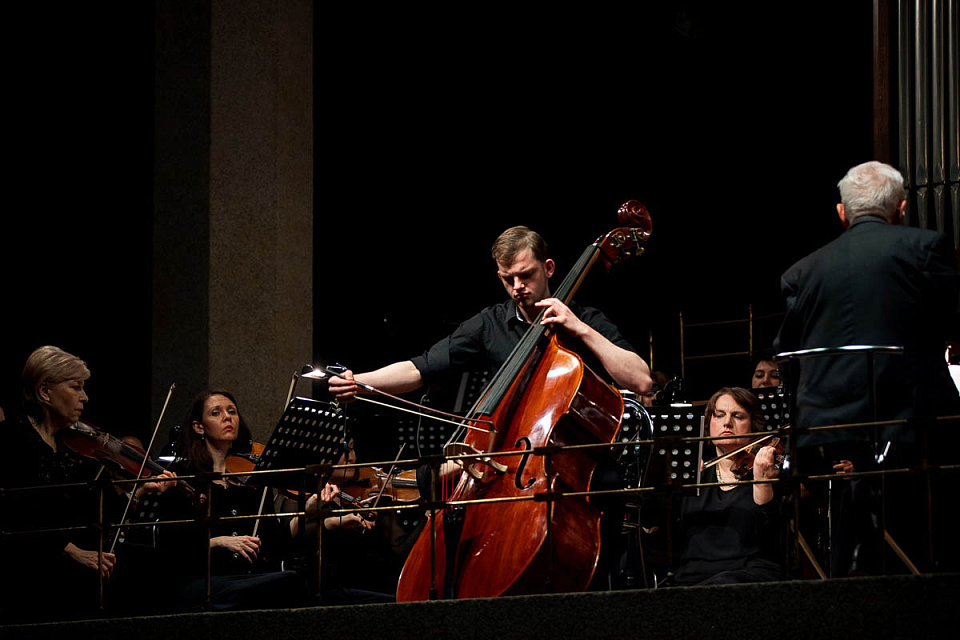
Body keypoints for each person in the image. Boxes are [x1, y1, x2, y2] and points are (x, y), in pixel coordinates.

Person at [328, 225, 653, 590]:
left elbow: (640, 380)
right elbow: (420, 367)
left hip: (576, 471)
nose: (518, 287)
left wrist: (580, 329)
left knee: (607, 488)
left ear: (548, 267)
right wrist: (362, 381)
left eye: (526, 275)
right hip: (506, 468)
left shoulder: (585, 319)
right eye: (507, 279)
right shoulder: (490, 324)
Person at [774, 160, 960, 574]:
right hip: (913, 421)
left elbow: (786, 349)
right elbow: (950, 324)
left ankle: (847, 575)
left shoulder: (801, 271)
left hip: (826, 427)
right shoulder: (927, 247)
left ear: (842, 213)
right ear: (902, 208)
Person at [0, 346, 176, 621]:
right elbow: (15, 514)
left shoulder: (73, 448)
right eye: (76, 387)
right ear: (45, 392)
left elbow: (96, 519)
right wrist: (73, 552)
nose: (85, 397)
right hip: (33, 558)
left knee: (156, 562)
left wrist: (138, 491)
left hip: (77, 551)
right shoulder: (13, 438)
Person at [156, 389, 336, 611]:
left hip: (250, 578)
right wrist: (219, 541)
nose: (227, 417)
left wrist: (307, 511)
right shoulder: (184, 479)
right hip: (205, 582)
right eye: (216, 413)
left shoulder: (251, 484)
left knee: (305, 582)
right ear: (198, 426)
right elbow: (171, 547)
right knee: (288, 584)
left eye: (232, 411)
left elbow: (274, 542)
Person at [655, 387, 784, 586]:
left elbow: (774, 539)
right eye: (719, 415)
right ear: (709, 423)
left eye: (738, 416)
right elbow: (655, 527)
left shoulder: (765, 470)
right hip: (693, 575)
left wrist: (762, 483)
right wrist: (671, 483)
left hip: (748, 574)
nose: (727, 423)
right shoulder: (694, 473)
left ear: (753, 426)